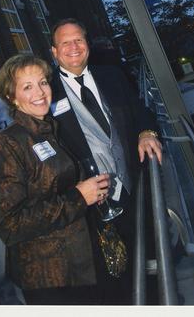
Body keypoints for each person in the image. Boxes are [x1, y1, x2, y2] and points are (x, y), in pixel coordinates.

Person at [50, 18, 163, 304]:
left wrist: (147, 132)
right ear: (54, 51)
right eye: (66, 42)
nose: (74, 47)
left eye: (79, 40)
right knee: (116, 277)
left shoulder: (112, 75)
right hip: (91, 206)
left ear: (87, 44)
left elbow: (141, 112)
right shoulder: (46, 93)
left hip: (131, 188)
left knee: (150, 258)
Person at [0, 54, 110, 305]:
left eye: (42, 82)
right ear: (11, 97)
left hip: (79, 262)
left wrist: (91, 192)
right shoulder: (7, 143)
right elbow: (10, 225)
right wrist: (78, 197)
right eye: (27, 87)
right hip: (51, 278)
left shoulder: (49, 128)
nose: (40, 92)